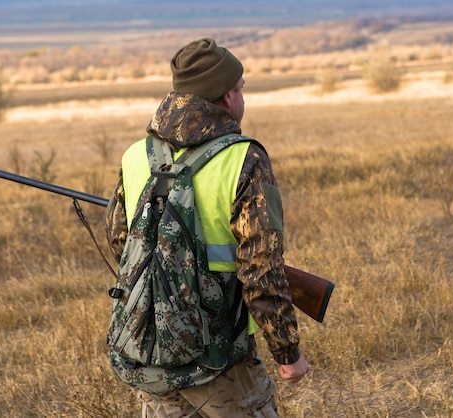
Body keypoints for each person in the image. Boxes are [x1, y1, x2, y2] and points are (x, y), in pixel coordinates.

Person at [105, 38, 309, 418]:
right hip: (221, 362)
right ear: (227, 96)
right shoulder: (244, 157)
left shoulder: (135, 155)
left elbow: (121, 242)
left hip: (150, 354)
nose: (243, 98)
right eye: (241, 88)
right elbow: (261, 268)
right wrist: (288, 352)